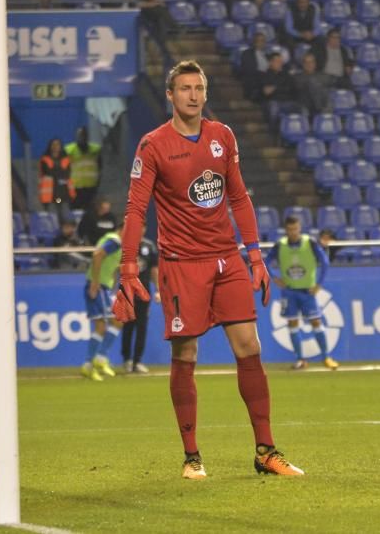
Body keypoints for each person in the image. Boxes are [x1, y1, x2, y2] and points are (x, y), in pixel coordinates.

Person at [113, 59, 304, 480]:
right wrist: (128, 268)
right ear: (170, 95)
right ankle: (192, 455)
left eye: (199, 88)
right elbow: (134, 208)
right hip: (182, 265)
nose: (193, 96)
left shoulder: (222, 136)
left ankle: (266, 451)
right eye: (184, 88)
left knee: (250, 347)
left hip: (226, 260)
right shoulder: (153, 145)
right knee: (186, 353)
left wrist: (254, 256)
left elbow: (238, 197)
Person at [266, 216, 337, 371]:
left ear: (300, 228)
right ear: (286, 230)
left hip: (307, 290)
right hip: (289, 291)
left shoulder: (309, 243)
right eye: (290, 229)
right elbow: (266, 261)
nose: (293, 232)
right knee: (292, 324)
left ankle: (326, 357)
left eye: (295, 228)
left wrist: (319, 284)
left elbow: (324, 261)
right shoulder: (280, 245)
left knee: (316, 322)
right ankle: (300, 359)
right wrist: (274, 278)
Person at [81, 221, 125, 382]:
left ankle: (98, 359)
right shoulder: (115, 241)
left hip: (104, 287)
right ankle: (90, 364)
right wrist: (95, 282)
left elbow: (112, 265)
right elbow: (98, 254)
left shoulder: (116, 242)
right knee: (101, 325)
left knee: (117, 321)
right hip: (98, 286)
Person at [121, 228, 159, 374]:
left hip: (143, 293)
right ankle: (127, 360)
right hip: (127, 291)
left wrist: (158, 289)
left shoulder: (149, 246)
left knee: (141, 327)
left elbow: (154, 270)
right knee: (128, 326)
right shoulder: (125, 245)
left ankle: (137, 361)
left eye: (143, 227)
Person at [38, 138, 74, 224]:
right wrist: (60, 172)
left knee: (66, 217)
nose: (55, 147)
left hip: (64, 193)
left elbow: (67, 173)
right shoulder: (45, 159)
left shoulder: (66, 159)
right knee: (53, 218)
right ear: (50, 146)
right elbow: (48, 172)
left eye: (57, 144)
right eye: (53, 144)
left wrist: (58, 172)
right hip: (50, 195)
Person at [65, 126, 101, 210]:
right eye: (80, 135)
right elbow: (65, 168)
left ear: (88, 136)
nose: (82, 137)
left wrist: (98, 183)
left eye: (84, 135)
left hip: (91, 187)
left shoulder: (95, 150)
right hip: (75, 187)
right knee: (75, 212)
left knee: (89, 212)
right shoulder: (69, 150)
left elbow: (100, 168)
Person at [239, 31, 270, 101]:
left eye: (263, 41)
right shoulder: (247, 54)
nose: (261, 43)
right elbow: (249, 71)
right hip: (255, 84)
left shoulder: (268, 55)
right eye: (259, 40)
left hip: (268, 81)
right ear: (254, 42)